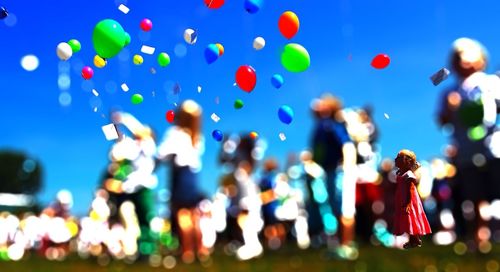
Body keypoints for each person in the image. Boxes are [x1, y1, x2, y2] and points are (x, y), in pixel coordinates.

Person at [436, 38, 500, 245]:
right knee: (475, 195)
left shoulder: (490, 82)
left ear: (481, 59)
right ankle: (480, 237)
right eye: (457, 55)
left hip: (493, 147)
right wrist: (448, 108)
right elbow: (441, 120)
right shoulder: (449, 91)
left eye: (467, 53)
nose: (461, 58)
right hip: (466, 152)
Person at [157, 100, 208, 263]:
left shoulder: (176, 133)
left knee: (182, 214)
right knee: (194, 215)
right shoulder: (196, 136)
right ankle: (201, 250)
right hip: (193, 175)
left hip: (180, 175)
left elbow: (162, 153)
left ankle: (187, 252)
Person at [310, 94, 357, 247]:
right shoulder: (321, 126)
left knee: (345, 209)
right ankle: (340, 244)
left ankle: (347, 245)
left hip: (340, 171)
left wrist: (348, 166)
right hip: (329, 171)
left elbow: (347, 145)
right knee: (336, 208)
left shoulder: (332, 124)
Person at [393, 149, 431, 249]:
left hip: (408, 199)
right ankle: (413, 240)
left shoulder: (409, 175)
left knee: (411, 218)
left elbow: (410, 190)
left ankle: (415, 239)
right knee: (406, 219)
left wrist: (408, 203)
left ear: (407, 161)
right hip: (402, 198)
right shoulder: (401, 173)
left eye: (399, 158)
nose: (395, 159)